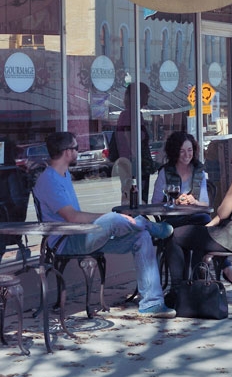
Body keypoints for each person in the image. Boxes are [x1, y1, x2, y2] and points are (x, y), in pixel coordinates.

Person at [34, 131, 176, 318]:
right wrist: (108, 217)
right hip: (66, 241)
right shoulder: (49, 180)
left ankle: (151, 304)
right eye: (76, 148)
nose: (79, 151)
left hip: (82, 235)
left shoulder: (64, 174)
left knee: (140, 237)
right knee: (115, 218)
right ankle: (147, 224)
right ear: (67, 152)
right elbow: (72, 217)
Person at [165, 130, 232, 289]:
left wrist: (212, 222)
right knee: (199, 236)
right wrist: (209, 226)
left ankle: (179, 289)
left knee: (175, 235)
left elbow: (223, 212)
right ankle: (197, 287)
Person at [152, 131, 210, 227]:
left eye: (190, 150)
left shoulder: (199, 172)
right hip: (173, 218)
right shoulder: (165, 172)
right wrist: (174, 203)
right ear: (174, 152)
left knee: (205, 218)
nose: (187, 155)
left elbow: (205, 204)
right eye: (182, 151)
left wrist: (194, 202)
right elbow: (155, 203)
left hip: (195, 218)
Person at [112, 82, 153, 202]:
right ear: (139, 96)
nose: (148, 98)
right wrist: (137, 161)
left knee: (131, 195)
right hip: (134, 164)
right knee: (135, 197)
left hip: (131, 162)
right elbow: (130, 138)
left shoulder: (128, 114)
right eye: (147, 94)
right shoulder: (131, 114)